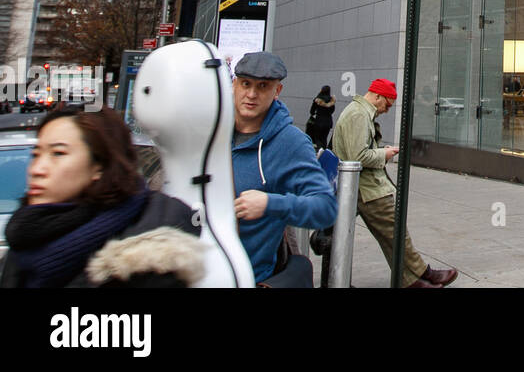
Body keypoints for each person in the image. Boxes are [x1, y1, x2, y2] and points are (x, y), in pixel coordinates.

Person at [1, 108, 204, 288]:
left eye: (58, 153)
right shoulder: (27, 234)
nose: (37, 169)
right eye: (36, 154)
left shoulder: (148, 258)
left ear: (99, 165)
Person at [333, 78, 458, 288]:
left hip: (363, 187)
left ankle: (412, 278)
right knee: (395, 231)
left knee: (392, 234)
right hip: (367, 189)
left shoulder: (359, 113)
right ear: (377, 96)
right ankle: (418, 276)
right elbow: (358, 156)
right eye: (387, 104)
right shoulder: (358, 115)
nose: (386, 110)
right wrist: (385, 153)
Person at [231, 53, 337, 287]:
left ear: (277, 91)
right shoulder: (210, 130)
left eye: (263, 86)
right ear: (233, 84)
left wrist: (270, 204)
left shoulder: (290, 142)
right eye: (245, 84)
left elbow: (324, 208)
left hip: (248, 277)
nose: (251, 94)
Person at [304, 84, 336, 150]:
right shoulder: (331, 101)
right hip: (328, 123)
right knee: (324, 139)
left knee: (317, 138)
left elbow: (312, 111)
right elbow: (332, 111)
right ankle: (324, 153)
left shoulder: (318, 100)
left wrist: (316, 113)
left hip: (319, 122)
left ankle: (320, 152)